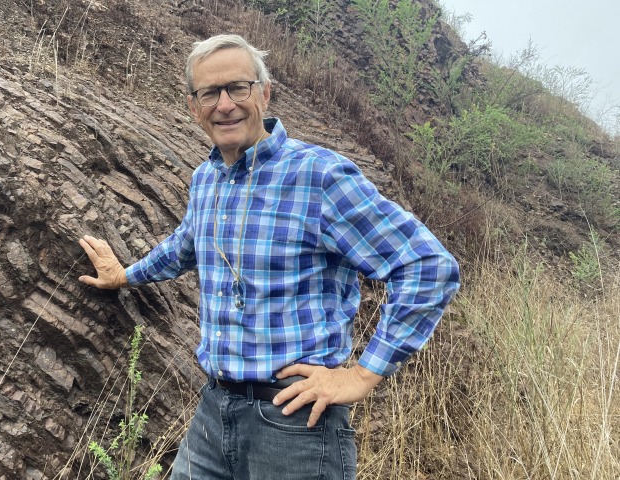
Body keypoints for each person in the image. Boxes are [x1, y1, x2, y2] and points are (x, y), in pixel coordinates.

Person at [78, 34, 460, 480]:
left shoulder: (318, 176)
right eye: (209, 93)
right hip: (214, 411)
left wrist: (361, 374)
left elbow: (427, 266)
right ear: (193, 107)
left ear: (264, 92)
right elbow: (186, 245)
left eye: (238, 88)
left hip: (295, 424)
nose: (225, 104)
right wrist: (124, 275)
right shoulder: (207, 178)